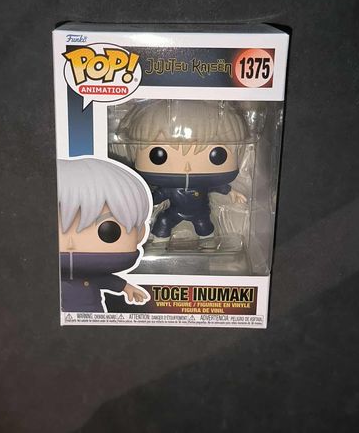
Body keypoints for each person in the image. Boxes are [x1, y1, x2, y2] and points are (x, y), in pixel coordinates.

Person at [114, 100, 248, 240]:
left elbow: (219, 187)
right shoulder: (169, 189)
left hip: (201, 213)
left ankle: (208, 245)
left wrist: (233, 192)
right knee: (163, 222)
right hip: (175, 212)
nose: (187, 167)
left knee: (205, 228)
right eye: (158, 155)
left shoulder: (203, 186)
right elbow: (154, 197)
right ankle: (160, 242)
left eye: (217, 155)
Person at [57, 158, 150, 312]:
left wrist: (126, 287)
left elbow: (106, 280)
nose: (71, 244)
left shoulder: (93, 276)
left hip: (94, 318)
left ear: (140, 234)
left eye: (108, 231)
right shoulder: (46, 277)